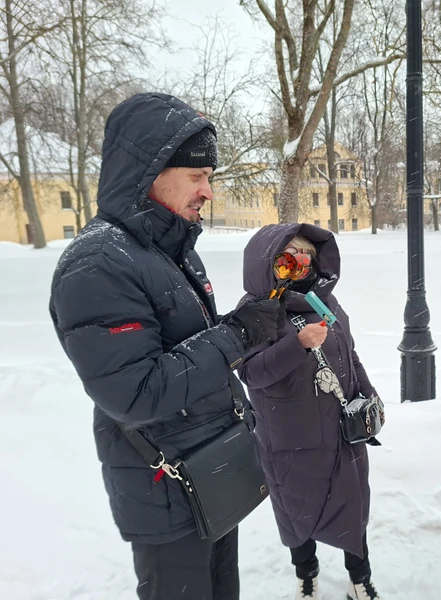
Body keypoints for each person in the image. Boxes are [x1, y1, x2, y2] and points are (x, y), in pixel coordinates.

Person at [49, 92, 285, 600]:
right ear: (151, 172)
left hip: (211, 473)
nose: (208, 191)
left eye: (210, 177)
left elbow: (189, 346)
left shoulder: (172, 249)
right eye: (197, 175)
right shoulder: (98, 264)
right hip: (165, 490)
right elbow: (135, 392)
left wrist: (250, 328)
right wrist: (237, 334)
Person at [236, 224, 382, 600]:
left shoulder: (325, 302)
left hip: (341, 434)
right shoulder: (254, 312)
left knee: (352, 506)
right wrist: (297, 345)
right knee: (296, 513)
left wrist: (368, 394)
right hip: (290, 440)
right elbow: (250, 373)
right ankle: (306, 574)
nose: (300, 266)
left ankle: (360, 577)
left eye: (306, 257)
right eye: (287, 260)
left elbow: (349, 354)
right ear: (267, 264)